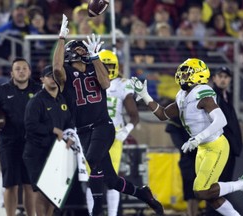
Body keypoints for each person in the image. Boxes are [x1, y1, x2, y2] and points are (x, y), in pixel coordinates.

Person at [52, 14, 163, 216]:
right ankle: (143, 194)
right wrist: (61, 38)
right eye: (78, 49)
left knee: (92, 159)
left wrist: (95, 58)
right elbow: (56, 68)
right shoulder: (65, 75)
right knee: (111, 180)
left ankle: (96, 212)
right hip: (83, 131)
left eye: (83, 48)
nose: (82, 51)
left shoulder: (95, 69)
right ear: (70, 53)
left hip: (103, 125)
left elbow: (106, 83)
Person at [131, 58, 243, 216]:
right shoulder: (182, 95)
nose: (182, 76)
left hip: (216, 146)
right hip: (202, 148)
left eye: (186, 74)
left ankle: (242, 184)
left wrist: (198, 138)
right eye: (183, 73)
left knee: (200, 191)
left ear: (198, 75)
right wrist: (145, 96)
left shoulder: (202, 92)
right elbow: (163, 114)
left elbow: (221, 120)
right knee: (211, 196)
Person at [86, 49, 139, 216]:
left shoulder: (123, 83)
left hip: (114, 133)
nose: (107, 69)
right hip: (91, 132)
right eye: (104, 65)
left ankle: (112, 214)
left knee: (111, 179)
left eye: (110, 65)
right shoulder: (88, 81)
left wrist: (127, 130)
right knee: (92, 177)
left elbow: (134, 115)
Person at [0, 57, 41, 216]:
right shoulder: (1, 91)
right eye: (17, 69)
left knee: (29, 184)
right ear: (11, 73)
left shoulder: (39, 90)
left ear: (30, 71)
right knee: (10, 184)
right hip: (8, 143)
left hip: (32, 144)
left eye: (24, 68)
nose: (21, 71)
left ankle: (31, 215)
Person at [23, 65, 75, 216]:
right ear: (42, 80)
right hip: (37, 152)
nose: (53, 79)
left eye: (56, 76)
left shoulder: (63, 99)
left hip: (56, 152)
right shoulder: (36, 101)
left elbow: (70, 122)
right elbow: (30, 125)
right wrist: (52, 129)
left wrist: (70, 135)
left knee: (53, 193)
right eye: (49, 76)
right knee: (41, 191)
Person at [205, 66, 243, 216]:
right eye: (220, 76)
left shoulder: (227, 96)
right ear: (213, 78)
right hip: (219, 150)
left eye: (226, 76)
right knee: (214, 187)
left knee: (223, 187)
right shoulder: (213, 96)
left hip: (229, 150)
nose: (223, 79)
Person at [165, 116, 199, 216]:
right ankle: (190, 212)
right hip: (187, 156)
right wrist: (183, 147)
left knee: (198, 186)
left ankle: (194, 212)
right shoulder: (179, 112)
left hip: (200, 154)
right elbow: (172, 129)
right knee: (189, 184)